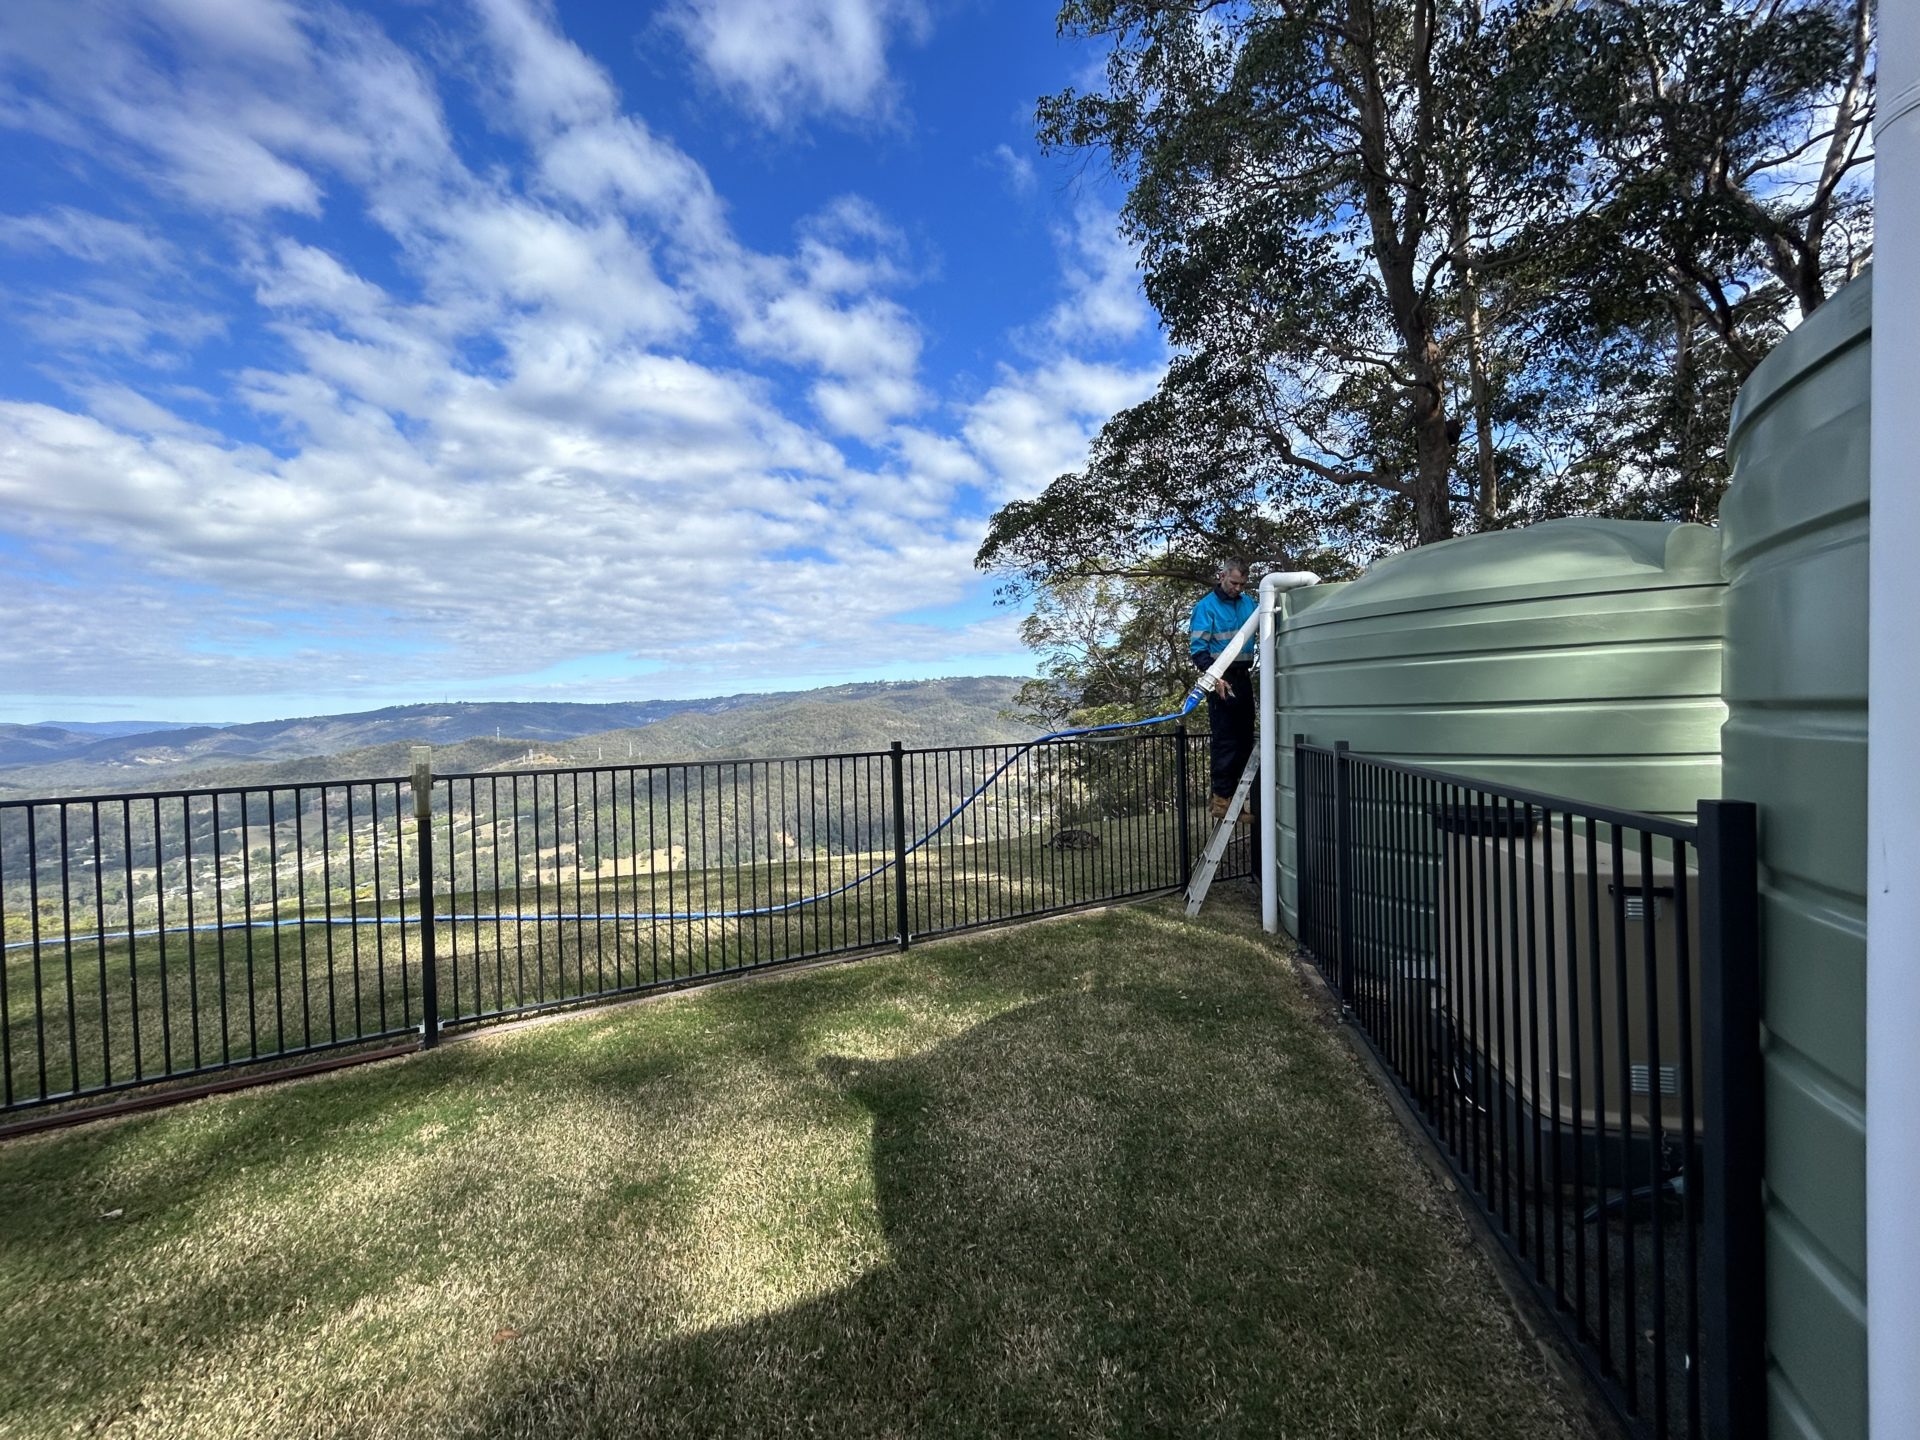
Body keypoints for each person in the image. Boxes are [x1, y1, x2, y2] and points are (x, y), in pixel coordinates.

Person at [1189, 560, 1257, 824]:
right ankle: (1220, 799)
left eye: (1242, 584)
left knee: (1244, 740)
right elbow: (1198, 650)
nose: (1237, 588)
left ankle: (1235, 801)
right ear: (1222, 576)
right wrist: (1215, 677)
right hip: (1221, 677)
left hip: (1243, 677)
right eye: (1233, 583)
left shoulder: (1249, 603)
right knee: (1226, 739)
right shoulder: (1206, 607)